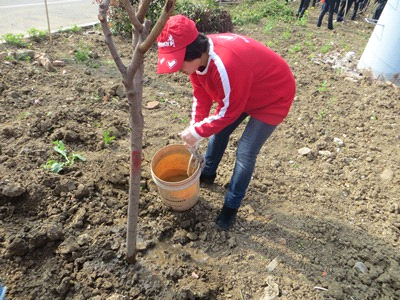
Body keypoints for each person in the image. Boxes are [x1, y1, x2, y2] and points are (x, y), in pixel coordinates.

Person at [156, 15, 296, 230]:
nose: (177, 69)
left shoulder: (225, 64)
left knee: (245, 152)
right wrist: (195, 127)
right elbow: (201, 96)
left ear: (194, 52)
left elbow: (228, 111)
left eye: (179, 62)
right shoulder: (198, 62)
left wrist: (198, 131)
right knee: (218, 133)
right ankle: (208, 174)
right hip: (243, 91)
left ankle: (231, 207)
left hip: (272, 96)